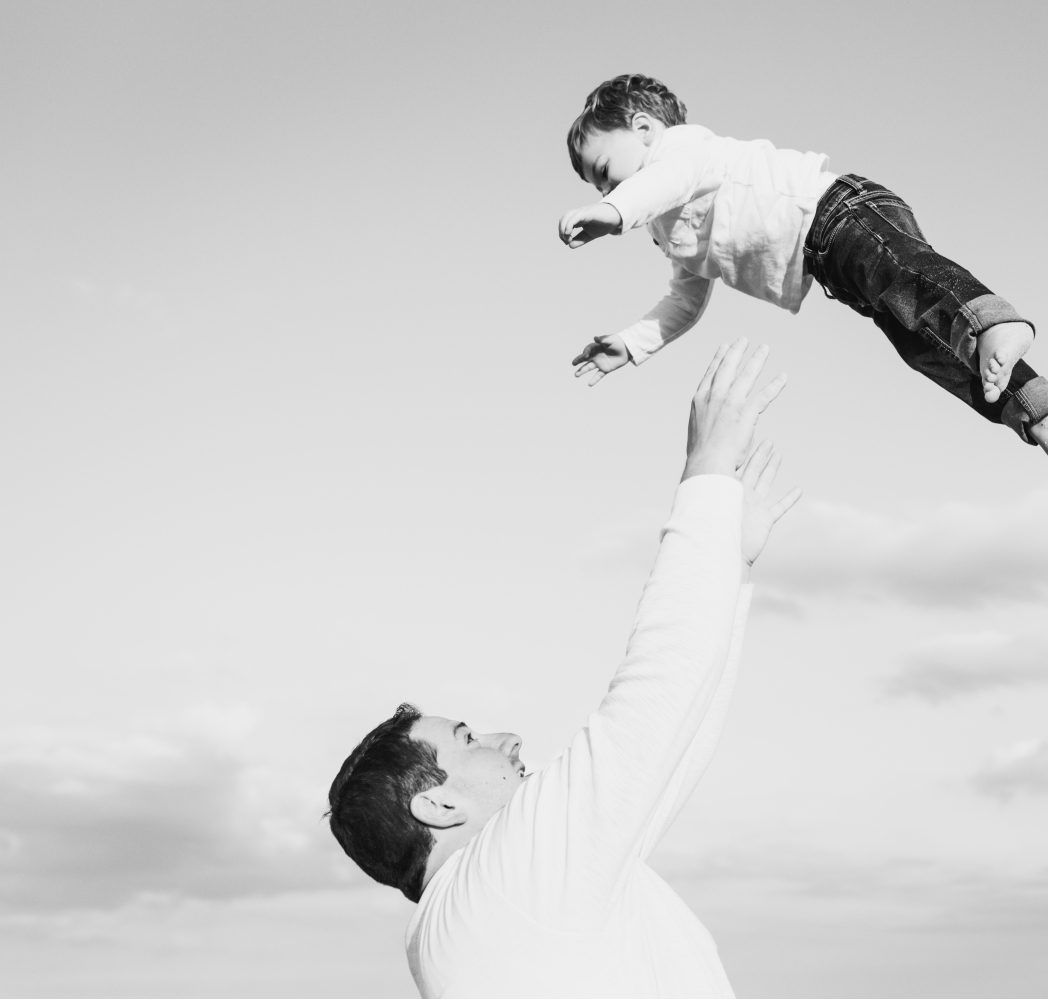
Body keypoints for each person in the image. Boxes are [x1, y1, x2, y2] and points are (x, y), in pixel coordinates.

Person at [326, 340, 799, 998]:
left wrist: (733, 568)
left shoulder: (476, 919)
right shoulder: (505, 880)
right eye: (468, 739)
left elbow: (672, 746)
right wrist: (707, 470)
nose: (508, 737)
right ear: (438, 802)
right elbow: (652, 699)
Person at [559, 74, 1048, 494]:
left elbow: (659, 183)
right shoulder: (667, 227)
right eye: (598, 183)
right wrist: (632, 342)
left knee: (907, 273)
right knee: (927, 346)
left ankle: (994, 319)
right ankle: (1039, 410)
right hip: (834, 269)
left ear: (644, 127)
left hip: (838, 213)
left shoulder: (683, 152)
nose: (607, 184)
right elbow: (686, 297)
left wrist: (612, 210)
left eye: (604, 168)